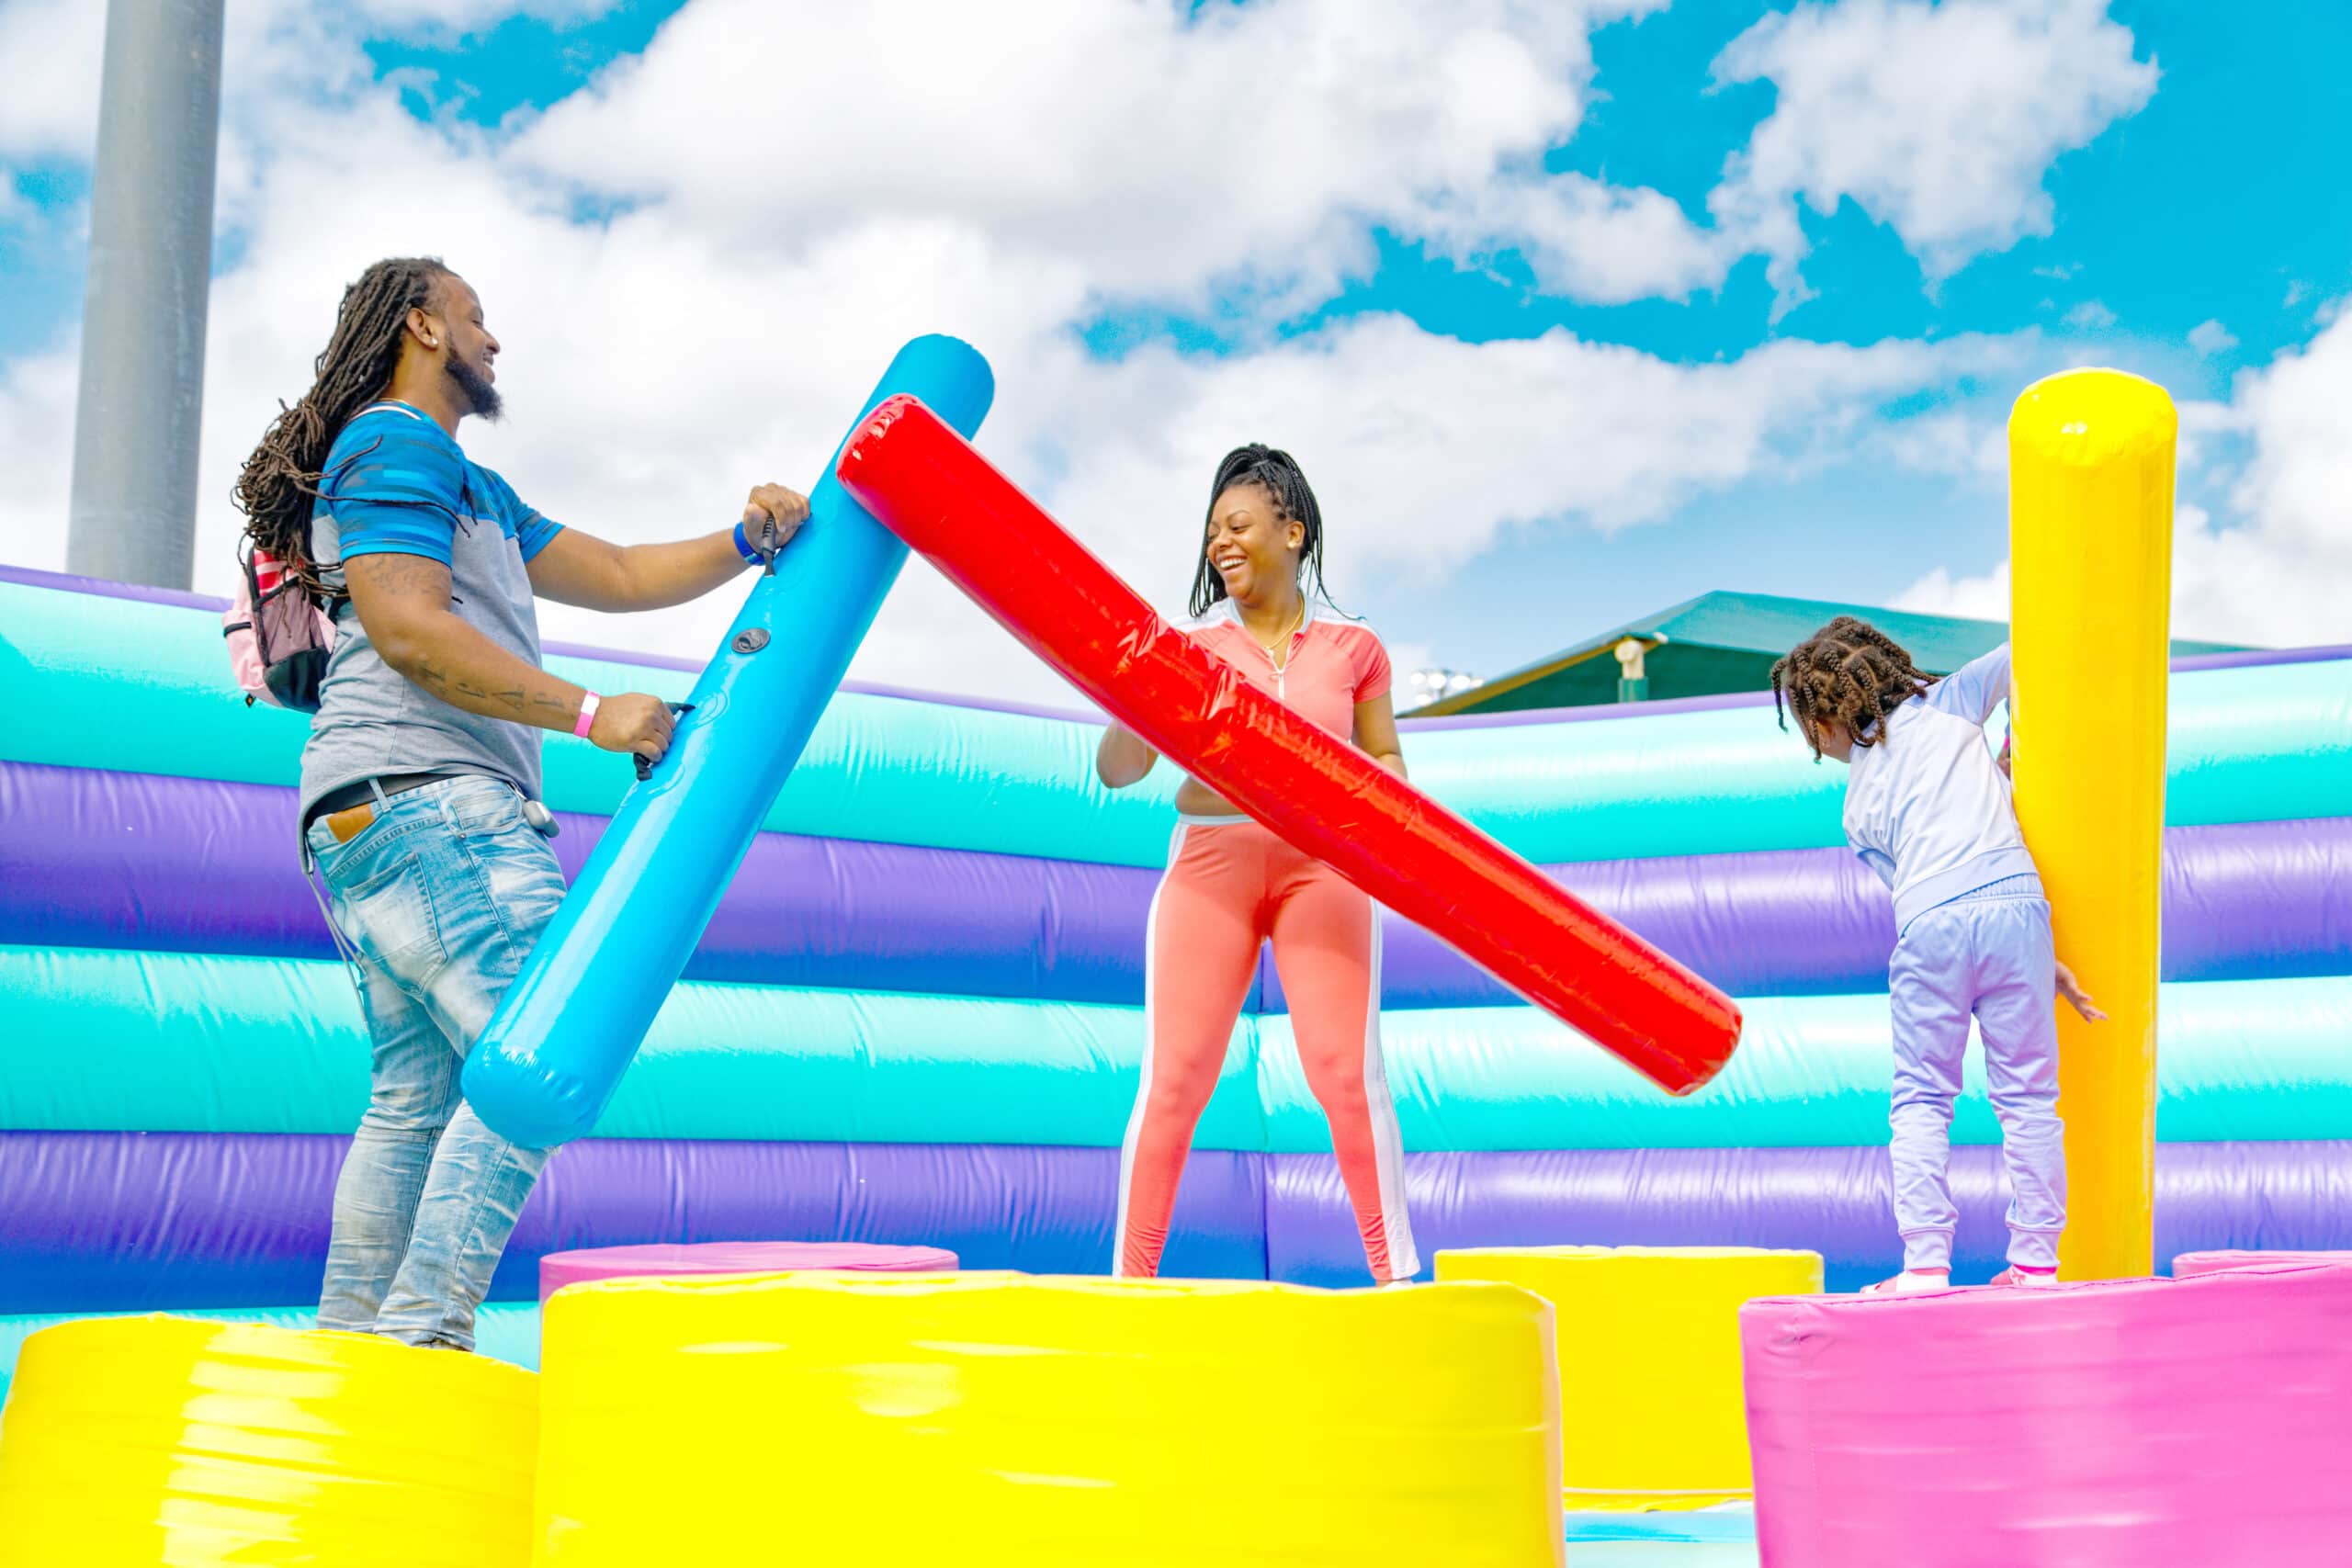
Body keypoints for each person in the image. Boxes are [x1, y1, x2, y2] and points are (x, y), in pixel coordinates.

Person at [232, 255, 810, 1348]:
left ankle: (352, 1356)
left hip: (367, 817)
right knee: (543, 1054)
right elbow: (407, 629)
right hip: (432, 805)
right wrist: (595, 714)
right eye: (475, 318)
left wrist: (749, 540)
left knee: (414, 1105)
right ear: (423, 327)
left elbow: (627, 571)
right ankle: (419, 1343)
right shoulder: (397, 441)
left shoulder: (464, 483)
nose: (494, 340)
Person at [1095, 445, 1419, 1284]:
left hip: (1326, 870)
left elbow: (1386, 760)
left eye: (1238, 525)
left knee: (1347, 1075)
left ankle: (1398, 1283)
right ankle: (1129, 1288)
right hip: (1213, 867)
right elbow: (1118, 771)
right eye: (1211, 533)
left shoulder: (1355, 649)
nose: (1221, 543)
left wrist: (1344, 785)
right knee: (1174, 1083)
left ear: (1293, 531)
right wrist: (1130, 693)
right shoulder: (1188, 647)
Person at [1769, 617, 2105, 1294]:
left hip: (1931, 924)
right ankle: (2038, 1262)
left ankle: (1925, 1264)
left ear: (1821, 723)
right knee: (2031, 1098)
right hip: (2017, 913)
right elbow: (2033, 649)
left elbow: (1921, 892)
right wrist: (2009, 752)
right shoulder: (1952, 702)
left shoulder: (1856, 807)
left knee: (1922, 1098)